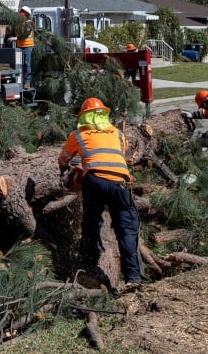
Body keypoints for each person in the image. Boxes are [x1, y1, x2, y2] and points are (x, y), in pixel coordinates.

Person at [58, 97, 142, 292]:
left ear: (84, 117)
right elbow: (116, 156)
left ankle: (88, 262)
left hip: (94, 181)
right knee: (126, 229)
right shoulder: (118, 134)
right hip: (120, 182)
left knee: (91, 222)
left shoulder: (78, 134)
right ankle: (133, 277)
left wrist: (66, 171)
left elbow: (63, 159)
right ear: (104, 114)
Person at [16, 6, 35, 89]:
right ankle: (20, 81)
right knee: (19, 65)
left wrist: (16, 38)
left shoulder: (30, 23)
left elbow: (25, 34)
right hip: (19, 46)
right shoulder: (19, 23)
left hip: (27, 46)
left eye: (22, 13)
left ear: (27, 14)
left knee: (27, 64)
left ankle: (27, 82)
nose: (21, 15)